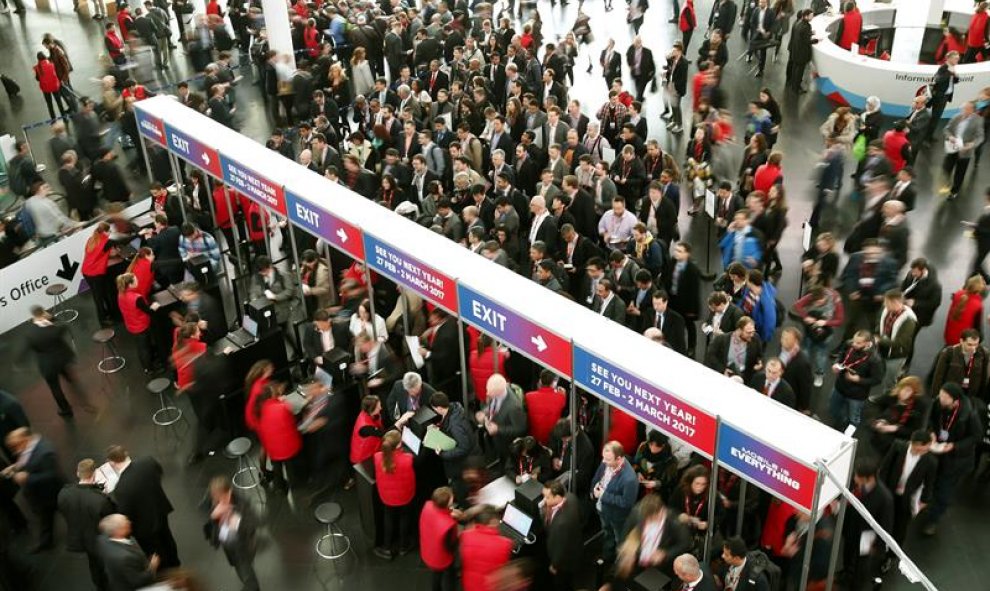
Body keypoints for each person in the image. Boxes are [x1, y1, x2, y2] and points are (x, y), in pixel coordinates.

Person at [106, 446, 180, 569]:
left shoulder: (121, 488)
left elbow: (126, 513)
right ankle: (175, 562)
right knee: (167, 538)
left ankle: (165, 570)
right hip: (160, 510)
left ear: (112, 463)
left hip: (144, 526)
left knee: (154, 550)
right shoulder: (148, 462)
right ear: (126, 453)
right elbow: (159, 473)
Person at [924, 382, 981, 535]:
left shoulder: (968, 414)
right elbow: (930, 419)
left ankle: (933, 520)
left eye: (944, 397)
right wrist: (931, 431)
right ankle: (927, 504)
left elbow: (976, 436)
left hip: (957, 459)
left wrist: (954, 446)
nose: (940, 398)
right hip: (938, 450)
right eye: (940, 394)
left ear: (955, 401)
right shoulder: (938, 403)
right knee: (932, 481)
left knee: (944, 490)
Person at [2, 428, 65, 552]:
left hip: (53, 492)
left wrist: (28, 477)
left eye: (15, 446)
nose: (14, 451)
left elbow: (52, 474)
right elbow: (26, 461)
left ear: (25, 439)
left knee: (67, 511)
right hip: (41, 496)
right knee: (45, 519)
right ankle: (46, 542)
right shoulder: (27, 448)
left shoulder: (45, 451)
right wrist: (15, 467)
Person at [58, 458, 116, 591]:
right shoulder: (99, 499)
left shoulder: (63, 493)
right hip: (99, 539)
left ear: (78, 473)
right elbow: (111, 517)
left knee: (94, 565)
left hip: (80, 538)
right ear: (94, 474)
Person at [24, 305, 93, 417]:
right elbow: (65, 326)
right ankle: (82, 398)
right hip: (61, 360)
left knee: (55, 388)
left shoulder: (30, 334)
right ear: (44, 312)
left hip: (47, 366)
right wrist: (52, 318)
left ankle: (65, 410)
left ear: (33, 316)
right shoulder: (54, 329)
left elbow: (29, 349)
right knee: (69, 377)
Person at [841, 458, 893, 591]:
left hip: (867, 536)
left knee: (861, 565)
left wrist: (877, 546)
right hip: (851, 528)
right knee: (847, 553)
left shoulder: (884, 498)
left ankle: (855, 586)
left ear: (869, 478)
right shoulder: (855, 485)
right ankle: (846, 573)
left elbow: (885, 525)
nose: (855, 478)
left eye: (858, 476)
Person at [879, 430, 937, 547]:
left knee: (900, 527)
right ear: (912, 443)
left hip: (907, 497)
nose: (920, 452)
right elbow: (885, 468)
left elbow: (929, 482)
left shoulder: (931, 461)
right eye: (917, 449)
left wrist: (924, 501)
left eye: (923, 450)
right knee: (883, 519)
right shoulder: (898, 447)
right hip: (889, 491)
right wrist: (881, 488)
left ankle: (892, 554)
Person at [614, 494, 691, 581]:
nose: (649, 521)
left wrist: (665, 554)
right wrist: (625, 551)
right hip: (637, 561)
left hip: (660, 567)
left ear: (662, 511)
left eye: (653, 518)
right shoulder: (637, 512)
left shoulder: (674, 520)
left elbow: (685, 543)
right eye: (647, 518)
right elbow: (625, 532)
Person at [205, 476, 259, 591]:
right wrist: (213, 517)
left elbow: (252, 523)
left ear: (229, 492)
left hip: (243, 547)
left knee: (249, 578)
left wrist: (234, 520)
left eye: (220, 497)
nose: (217, 500)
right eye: (215, 497)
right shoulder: (215, 503)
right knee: (239, 568)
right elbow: (209, 530)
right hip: (230, 548)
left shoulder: (242, 504)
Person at [591, 440, 638, 563]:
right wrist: (594, 489)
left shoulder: (630, 479)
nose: (603, 462)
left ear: (619, 459)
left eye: (607, 460)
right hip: (602, 510)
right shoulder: (606, 462)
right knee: (607, 533)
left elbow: (626, 503)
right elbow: (597, 477)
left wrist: (603, 495)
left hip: (617, 517)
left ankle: (619, 565)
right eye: (603, 458)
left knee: (619, 540)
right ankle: (607, 555)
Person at [252, 382, 303, 494]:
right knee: (290, 467)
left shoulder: (260, 410)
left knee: (277, 466)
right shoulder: (283, 407)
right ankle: (295, 484)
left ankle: (279, 487)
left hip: (273, 448)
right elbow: (292, 422)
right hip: (288, 448)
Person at [373, 430, 417, 560]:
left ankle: (387, 548)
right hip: (405, 496)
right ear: (399, 445)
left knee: (389, 519)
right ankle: (403, 547)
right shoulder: (408, 459)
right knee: (404, 518)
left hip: (387, 497)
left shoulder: (377, 457)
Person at [829, 330, 883, 430]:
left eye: (858, 343)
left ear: (867, 343)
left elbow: (877, 379)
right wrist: (836, 363)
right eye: (854, 341)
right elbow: (841, 354)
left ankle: (848, 435)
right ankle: (840, 423)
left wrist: (858, 380)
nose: (854, 344)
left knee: (853, 419)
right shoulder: (849, 344)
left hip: (856, 395)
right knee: (833, 410)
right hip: (840, 387)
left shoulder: (875, 359)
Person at [98, 514, 160, 591]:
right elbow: (138, 581)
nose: (129, 522)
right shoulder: (125, 557)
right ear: (119, 531)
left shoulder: (102, 540)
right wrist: (153, 567)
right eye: (126, 522)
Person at [475, 374, 527, 461]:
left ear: (499, 391)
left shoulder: (514, 407)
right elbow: (492, 405)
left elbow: (521, 428)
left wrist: (498, 429)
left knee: (505, 462)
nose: (487, 393)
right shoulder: (497, 392)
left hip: (506, 444)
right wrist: (484, 412)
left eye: (490, 391)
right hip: (495, 439)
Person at [459, 506, 513, 591]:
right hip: (490, 587)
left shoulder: (466, 535)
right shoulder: (506, 543)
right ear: (493, 522)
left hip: (469, 584)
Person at [117, 272, 161, 373]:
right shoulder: (137, 298)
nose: (138, 281)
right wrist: (154, 306)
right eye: (136, 280)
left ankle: (147, 364)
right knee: (144, 348)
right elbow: (148, 311)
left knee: (141, 346)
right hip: (141, 326)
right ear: (130, 284)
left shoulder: (121, 293)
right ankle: (149, 368)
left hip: (131, 324)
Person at [542, 479, 582, 591]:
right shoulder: (571, 497)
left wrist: (554, 565)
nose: (544, 500)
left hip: (564, 563)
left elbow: (560, 548)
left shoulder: (562, 523)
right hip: (573, 545)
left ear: (558, 497)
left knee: (562, 584)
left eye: (547, 497)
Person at [941, 101, 984, 200]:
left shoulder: (978, 120)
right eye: (963, 108)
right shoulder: (956, 117)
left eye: (966, 109)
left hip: (965, 152)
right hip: (952, 148)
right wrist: (950, 136)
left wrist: (972, 144)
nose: (963, 110)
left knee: (960, 173)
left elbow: (980, 137)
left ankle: (954, 191)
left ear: (973, 110)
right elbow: (946, 129)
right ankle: (945, 187)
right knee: (946, 168)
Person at [931, 328, 990, 401]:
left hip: (970, 396)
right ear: (961, 341)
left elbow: (984, 379)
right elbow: (938, 377)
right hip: (951, 395)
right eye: (970, 345)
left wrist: (980, 400)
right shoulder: (949, 353)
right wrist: (935, 398)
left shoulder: (983, 354)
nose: (973, 349)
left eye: (976, 345)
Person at [419, 486, 460, 591]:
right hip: (441, 558)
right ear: (447, 503)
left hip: (429, 550)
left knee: (436, 575)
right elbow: (449, 546)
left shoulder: (427, 505)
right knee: (447, 576)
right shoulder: (447, 525)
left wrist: (449, 512)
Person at [524, 370, 566, 445]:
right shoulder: (561, 397)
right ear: (554, 382)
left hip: (534, 439)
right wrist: (563, 394)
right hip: (553, 439)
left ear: (540, 381)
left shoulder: (528, 396)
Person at [33, 51, 67, 120]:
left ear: (38, 59)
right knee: (59, 102)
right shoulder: (52, 64)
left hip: (45, 88)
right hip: (55, 86)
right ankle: (64, 117)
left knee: (49, 104)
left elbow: (37, 79)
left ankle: (53, 119)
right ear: (45, 57)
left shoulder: (36, 68)